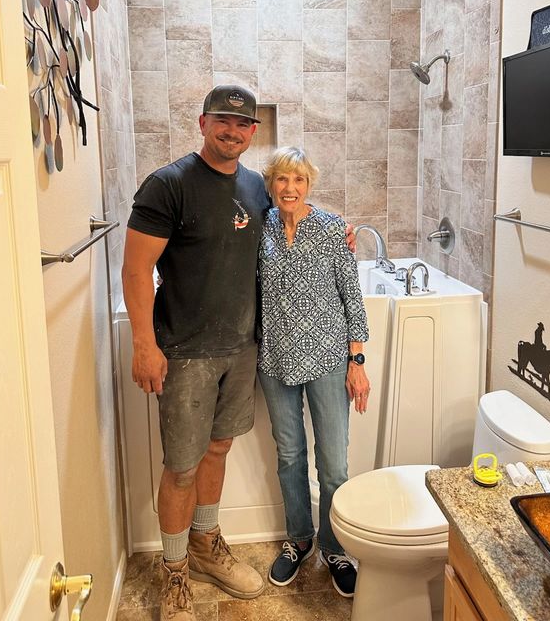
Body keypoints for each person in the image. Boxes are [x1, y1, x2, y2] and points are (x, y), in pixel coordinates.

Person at [122, 85, 270, 621]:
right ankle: (174, 570)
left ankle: (207, 545)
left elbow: (289, 232)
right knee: (181, 467)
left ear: (254, 132)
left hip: (241, 346)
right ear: (202, 123)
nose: (232, 131)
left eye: (243, 124)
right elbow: (137, 269)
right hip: (184, 351)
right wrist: (145, 343)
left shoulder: (256, 186)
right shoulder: (168, 184)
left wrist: (335, 233)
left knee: (218, 449)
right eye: (222, 121)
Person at [257, 146, 370, 598]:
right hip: (276, 359)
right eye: (283, 180)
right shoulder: (259, 227)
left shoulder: (328, 229)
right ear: (271, 185)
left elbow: (352, 295)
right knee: (289, 456)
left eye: (299, 180)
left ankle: (335, 546)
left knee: (334, 465)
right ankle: (300, 539)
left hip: (327, 358)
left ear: (310, 185)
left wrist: (356, 361)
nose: (290, 189)